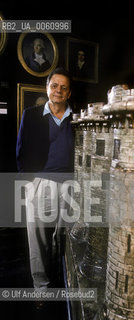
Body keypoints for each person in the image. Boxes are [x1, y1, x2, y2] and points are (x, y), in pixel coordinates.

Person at [16, 67, 75, 308]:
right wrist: (29, 183)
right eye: (54, 86)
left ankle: (63, 285)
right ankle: (41, 290)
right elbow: (21, 152)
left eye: (63, 87)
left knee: (64, 239)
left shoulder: (78, 118)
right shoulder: (30, 115)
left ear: (68, 92)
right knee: (38, 240)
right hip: (40, 184)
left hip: (71, 186)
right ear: (47, 88)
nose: (58, 91)